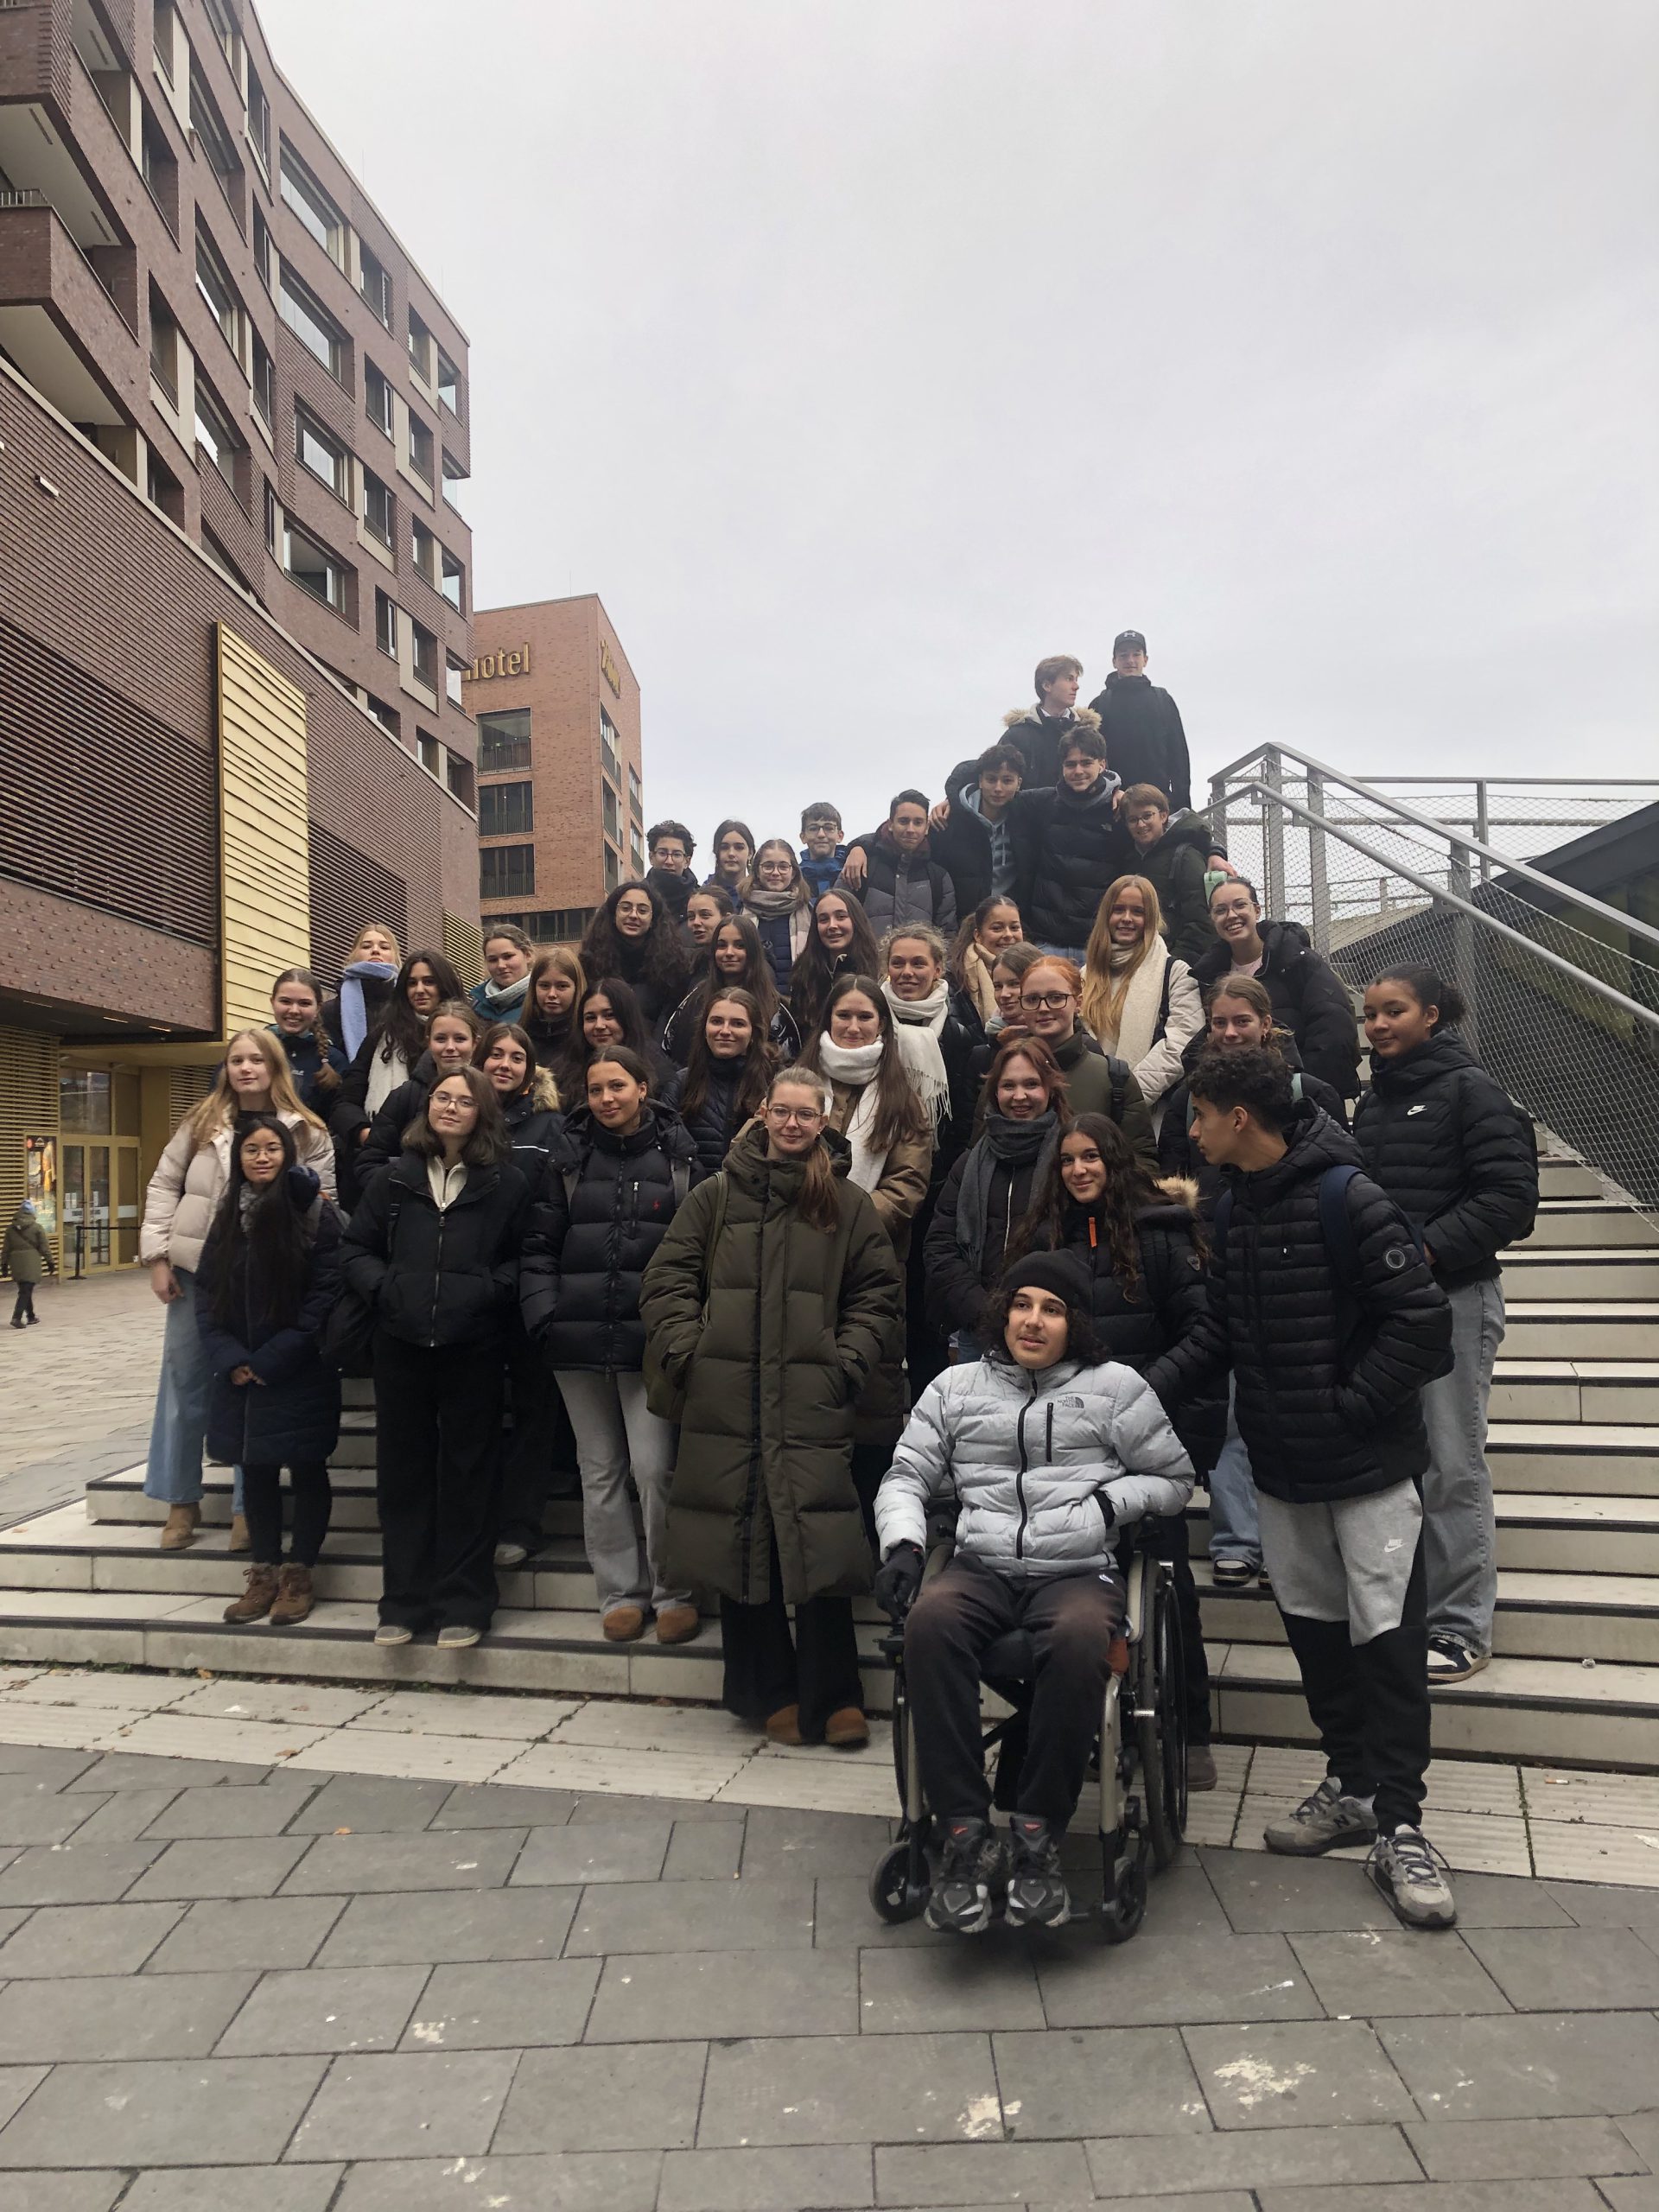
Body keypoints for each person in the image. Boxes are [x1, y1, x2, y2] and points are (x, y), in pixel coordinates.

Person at [1160, 1049, 1457, 1930]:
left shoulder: (1348, 1197)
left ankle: (1402, 1827)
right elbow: (1219, 1331)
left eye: (1199, 1115)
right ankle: (1352, 1786)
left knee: (1388, 1645)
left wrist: (1348, 1407)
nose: (1191, 1131)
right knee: (1318, 1638)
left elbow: (1424, 1323)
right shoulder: (1233, 1206)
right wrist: (1136, 1390)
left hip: (1367, 1474)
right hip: (1284, 1473)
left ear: (1238, 1118)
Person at [873, 1250, 1194, 1933]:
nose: (1033, 1321)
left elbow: (1174, 1480)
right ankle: (965, 1832)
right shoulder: (955, 1388)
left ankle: (1037, 1832)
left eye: (1052, 1309)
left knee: (1080, 1638)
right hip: (981, 1565)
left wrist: (1105, 1507)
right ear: (1002, 1312)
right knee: (929, 1624)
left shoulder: (1117, 1389)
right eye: (1022, 1304)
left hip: (1075, 1569)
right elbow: (905, 1476)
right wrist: (902, 1545)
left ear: (1075, 1324)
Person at [640, 1065, 904, 1745]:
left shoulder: (846, 1203)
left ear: (823, 1121)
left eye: (805, 1114)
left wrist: (845, 1364)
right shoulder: (717, 1194)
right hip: (726, 1401)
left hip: (811, 1400)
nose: (792, 1124)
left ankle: (835, 1695)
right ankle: (766, 1691)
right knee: (740, 1543)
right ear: (762, 1113)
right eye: (781, 1111)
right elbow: (666, 1279)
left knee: (819, 1542)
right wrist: (691, 1354)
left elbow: (878, 1294)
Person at [1018, 1113, 1227, 1787]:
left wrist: (1135, 1397)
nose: (1079, 1170)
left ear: (1114, 1161)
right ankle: (1088, 1726)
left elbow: (1205, 1333)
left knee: (1168, 1580)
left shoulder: (1162, 1233)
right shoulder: (1044, 1239)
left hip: (1149, 1438)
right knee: (1074, 1587)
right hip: (1070, 1446)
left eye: (1090, 1157)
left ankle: (1190, 1731)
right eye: (1067, 1161)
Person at [1356, 963, 1539, 1684]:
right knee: (1404, 1465)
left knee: (1452, 1466)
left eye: (1393, 1011)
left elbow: (1511, 1199)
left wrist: (1424, 1249)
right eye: (1370, 1014)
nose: (1378, 1025)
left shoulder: (1472, 1090)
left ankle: (1462, 1624)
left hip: (1457, 1299)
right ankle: (1414, 1610)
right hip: (1391, 1306)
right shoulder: (1374, 1102)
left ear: (1432, 1014)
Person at [1157, 974, 1350, 1592]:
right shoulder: (1190, 1099)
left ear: (1267, 1024)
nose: (1231, 1031)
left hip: (1296, 1271)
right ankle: (1238, 1538)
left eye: (1242, 1020)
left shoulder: (1308, 1094)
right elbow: (1171, 1174)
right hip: (1220, 1259)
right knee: (1234, 1410)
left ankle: (1301, 1547)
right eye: (1219, 1021)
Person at [342, 1066, 529, 1649]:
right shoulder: (394, 1178)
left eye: (464, 1100)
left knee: (470, 1475)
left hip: (473, 1345)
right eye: (441, 1097)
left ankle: (464, 1604)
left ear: (483, 1113)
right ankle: (403, 1602)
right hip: (400, 1344)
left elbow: (523, 1256)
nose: (449, 1107)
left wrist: (486, 1293)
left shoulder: (506, 1183)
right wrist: (386, 1289)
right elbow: (356, 1248)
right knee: (403, 1476)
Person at [521, 1047, 703, 1643]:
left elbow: (699, 1252)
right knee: (599, 1470)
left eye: (617, 1086)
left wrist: (683, 1329)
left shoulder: (678, 1158)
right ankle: (620, 1593)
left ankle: (673, 1590)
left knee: (655, 1470)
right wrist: (546, 1317)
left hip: (650, 1345)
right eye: (596, 1089)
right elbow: (538, 1247)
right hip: (575, 1341)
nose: (606, 1099)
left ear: (643, 1087)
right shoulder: (566, 1159)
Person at [139, 1031, 334, 1553]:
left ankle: (249, 1509)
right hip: (198, 1270)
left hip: (271, 1277)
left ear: (275, 1067)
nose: (246, 1068)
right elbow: (163, 1185)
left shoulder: (308, 1129)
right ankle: (180, 1500)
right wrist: (157, 1257)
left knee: (255, 1385)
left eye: (256, 1060)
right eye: (236, 1060)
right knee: (184, 1383)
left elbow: (323, 1202)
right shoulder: (200, 1123)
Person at [194, 1117, 342, 1628]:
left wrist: (274, 1358)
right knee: (253, 1469)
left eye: (272, 1148)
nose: (262, 1158)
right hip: (239, 1371)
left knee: (306, 1467)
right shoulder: (227, 1216)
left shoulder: (314, 1212)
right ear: (238, 1158)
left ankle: (299, 1573)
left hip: (298, 1368)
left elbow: (326, 1294)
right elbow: (206, 1295)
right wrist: (229, 1358)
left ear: (288, 1154)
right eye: (252, 1149)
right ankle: (263, 1572)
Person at [475, 1022, 572, 1574]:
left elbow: (554, 1204)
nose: (505, 1064)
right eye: (496, 1055)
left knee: (535, 1408)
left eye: (517, 1057)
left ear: (531, 1070)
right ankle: (478, 1520)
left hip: (529, 1282)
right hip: (471, 1287)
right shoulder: (461, 1115)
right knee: (479, 1409)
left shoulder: (550, 1125)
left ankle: (520, 1523)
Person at [926, 1034, 1070, 1359]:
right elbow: (940, 1245)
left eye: (1031, 1084)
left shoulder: (1070, 1159)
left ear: (1050, 1088)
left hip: (1050, 1332)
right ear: (995, 1092)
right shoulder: (970, 1162)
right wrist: (984, 1313)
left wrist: (1032, 1312)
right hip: (978, 1331)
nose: (1019, 1096)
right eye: (1008, 1086)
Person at [1195, 879, 1360, 1102]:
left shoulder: (1299, 961)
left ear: (1257, 910)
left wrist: (1301, 1089)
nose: (1231, 915)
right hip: (1233, 1098)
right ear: (1212, 919)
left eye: (1240, 905)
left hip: (1293, 1096)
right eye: (1221, 910)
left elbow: (1333, 1030)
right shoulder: (1206, 975)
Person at [332, 950, 467, 1202]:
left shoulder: (469, 1039)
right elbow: (345, 1101)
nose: (419, 990)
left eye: (429, 981)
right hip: (386, 1167)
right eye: (412, 983)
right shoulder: (382, 1037)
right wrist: (366, 1133)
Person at [1002, 957, 1157, 1166]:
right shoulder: (1003, 1072)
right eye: (1032, 999)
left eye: (1056, 998)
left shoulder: (1114, 1078)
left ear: (1079, 1002)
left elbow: (1142, 1160)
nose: (1043, 1008)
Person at [1080, 876, 1204, 1124]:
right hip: (1091, 1111)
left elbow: (1182, 1041)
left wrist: (1128, 1098)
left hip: (1153, 1114)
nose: (1127, 918)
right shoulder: (1084, 976)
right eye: (1118, 910)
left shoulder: (1175, 972)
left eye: (1138, 911)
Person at [354, 1001, 482, 1188]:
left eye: (460, 1039)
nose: (450, 1047)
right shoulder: (405, 1096)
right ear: (429, 1042)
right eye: (441, 1039)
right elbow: (369, 1163)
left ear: (475, 1043)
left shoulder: (489, 1096)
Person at [661, 988, 777, 1175]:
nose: (725, 1031)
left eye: (738, 1024)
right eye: (716, 1021)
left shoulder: (775, 1085)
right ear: (704, 1029)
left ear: (754, 1033)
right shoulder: (681, 1083)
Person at [662, 914, 802, 1065]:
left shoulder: (775, 1008)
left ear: (753, 951)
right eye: (721, 945)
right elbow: (671, 1048)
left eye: (740, 945)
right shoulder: (696, 997)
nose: (729, 952)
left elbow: (787, 1064)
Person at [1088, 630, 1192, 810]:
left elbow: (1179, 755)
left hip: (1158, 802)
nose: (1130, 660)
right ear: (1114, 661)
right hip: (1114, 804)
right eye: (1123, 655)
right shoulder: (1100, 704)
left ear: (1145, 659)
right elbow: (1091, 758)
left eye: (1136, 654)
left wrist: (1181, 805)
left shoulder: (1163, 699)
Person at [836, 791, 957, 940]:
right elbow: (836, 916)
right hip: (866, 956)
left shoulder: (939, 878)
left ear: (926, 827)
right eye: (904, 821)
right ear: (890, 824)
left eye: (918, 823)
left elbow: (948, 935)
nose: (910, 829)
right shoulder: (862, 866)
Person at [1122, 784, 1215, 967]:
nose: (1141, 824)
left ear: (1163, 815)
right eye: (1133, 819)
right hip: (1138, 962)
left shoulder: (1186, 856)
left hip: (1174, 965)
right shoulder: (1128, 860)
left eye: (1147, 816)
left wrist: (1172, 965)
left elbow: (1201, 922)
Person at [579, 881, 690, 1030]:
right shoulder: (590, 962)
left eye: (642, 911)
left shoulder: (672, 964)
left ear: (653, 920)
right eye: (625, 908)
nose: (633, 915)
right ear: (613, 915)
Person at [929, 744, 1026, 915]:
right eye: (991, 779)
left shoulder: (1026, 820)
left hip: (1007, 921)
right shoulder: (947, 819)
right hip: (958, 921)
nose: (998, 788)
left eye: (1007, 781)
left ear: (1019, 784)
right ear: (980, 780)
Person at [556, 976, 670, 1107]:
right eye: (590, 1018)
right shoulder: (563, 1075)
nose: (599, 1025)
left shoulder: (660, 1075)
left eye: (609, 1015)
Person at [789, 888, 884, 1039]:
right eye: (823, 919)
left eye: (841, 917)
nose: (832, 925)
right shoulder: (804, 972)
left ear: (856, 921)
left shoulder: (879, 970)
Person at [999, 653, 1086, 788]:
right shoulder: (1017, 736)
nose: (1076, 686)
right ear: (1047, 685)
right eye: (1069, 679)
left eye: (1076, 679)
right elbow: (998, 780)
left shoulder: (1087, 734)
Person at [268, 969, 347, 1113]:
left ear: (318, 1008)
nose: (294, 1010)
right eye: (285, 1001)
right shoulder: (251, 1052)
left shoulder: (335, 1061)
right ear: (273, 1002)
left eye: (304, 1003)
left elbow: (341, 1116)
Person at [741, 839, 815, 989]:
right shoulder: (740, 910)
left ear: (793, 872)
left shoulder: (810, 912)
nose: (775, 873)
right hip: (751, 997)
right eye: (768, 866)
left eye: (783, 867)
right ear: (757, 871)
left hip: (798, 998)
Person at [320, 925, 400, 1058]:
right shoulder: (331, 1010)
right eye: (366, 946)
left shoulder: (408, 1004)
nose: (375, 951)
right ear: (354, 955)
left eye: (384, 947)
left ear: (395, 956)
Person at [948, 896, 1024, 1034]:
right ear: (978, 935)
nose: (1008, 935)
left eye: (1014, 928)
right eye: (997, 928)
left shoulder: (1038, 968)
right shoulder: (955, 977)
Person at [522, 947, 586, 1073]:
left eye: (562, 986)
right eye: (544, 986)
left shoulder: (586, 1040)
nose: (552, 994)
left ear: (576, 988)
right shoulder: (521, 1037)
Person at [468, 925, 536, 1022]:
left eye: (508, 956)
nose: (501, 965)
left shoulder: (542, 1001)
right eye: (493, 960)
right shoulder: (474, 1006)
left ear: (527, 955)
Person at [3, 1201, 53, 1327]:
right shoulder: (37, 1227)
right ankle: (16, 1317)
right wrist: (50, 1261)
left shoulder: (10, 1229)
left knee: (25, 1289)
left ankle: (31, 1316)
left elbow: (5, 1249)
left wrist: (4, 1265)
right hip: (31, 1262)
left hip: (16, 1263)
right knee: (25, 1291)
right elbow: (44, 1247)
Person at [645, 820, 699, 924]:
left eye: (677, 855)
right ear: (651, 857)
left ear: (687, 861)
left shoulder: (701, 900)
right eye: (662, 853)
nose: (669, 861)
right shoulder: (637, 896)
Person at [798, 803, 848, 899]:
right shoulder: (794, 878)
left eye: (829, 828)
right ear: (803, 837)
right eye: (813, 829)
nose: (821, 834)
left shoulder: (852, 874)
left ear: (840, 836)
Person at [706, 818, 756, 904]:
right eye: (724, 847)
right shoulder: (703, 896)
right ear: (716, 851)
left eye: (739, 848)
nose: (731, 853)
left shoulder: (759, 895)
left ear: (750, 853)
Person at [682, 883, 734, 957]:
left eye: (705, 915)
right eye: (691, 917)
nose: (696, 922)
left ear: (726, 918)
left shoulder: (745, 957)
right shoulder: (686, 960)